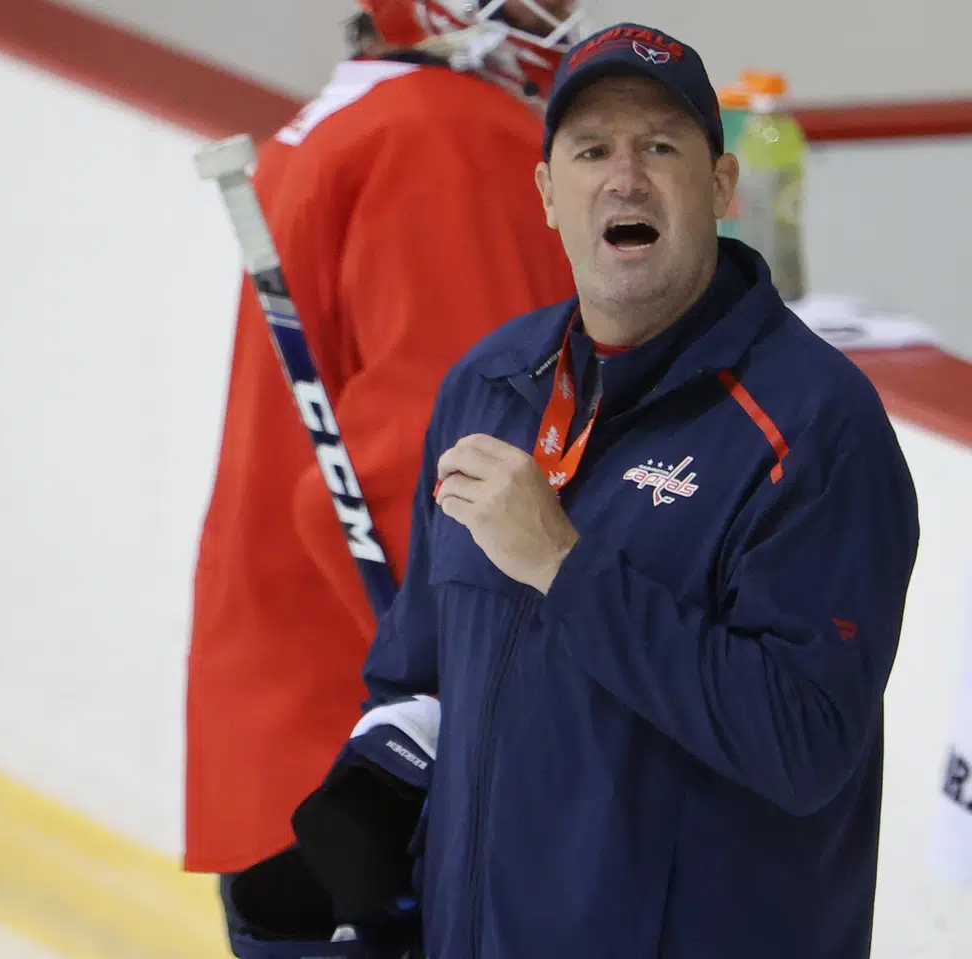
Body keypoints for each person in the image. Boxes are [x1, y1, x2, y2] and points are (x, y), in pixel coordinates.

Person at [359, 21, 921, 958]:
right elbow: (420, 672)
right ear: (548, 194)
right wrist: (361, 806)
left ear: (721, 186)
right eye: (592, 150)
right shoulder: (488, 386)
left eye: (661, 146)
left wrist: (566, 568)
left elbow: (804, 741)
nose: (626, 177)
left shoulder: (817, 429)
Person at [182, 0, 582, 942]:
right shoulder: (447, 136)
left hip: (295, 744)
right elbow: (437, 478)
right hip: (384, 777)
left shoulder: (352, 121)